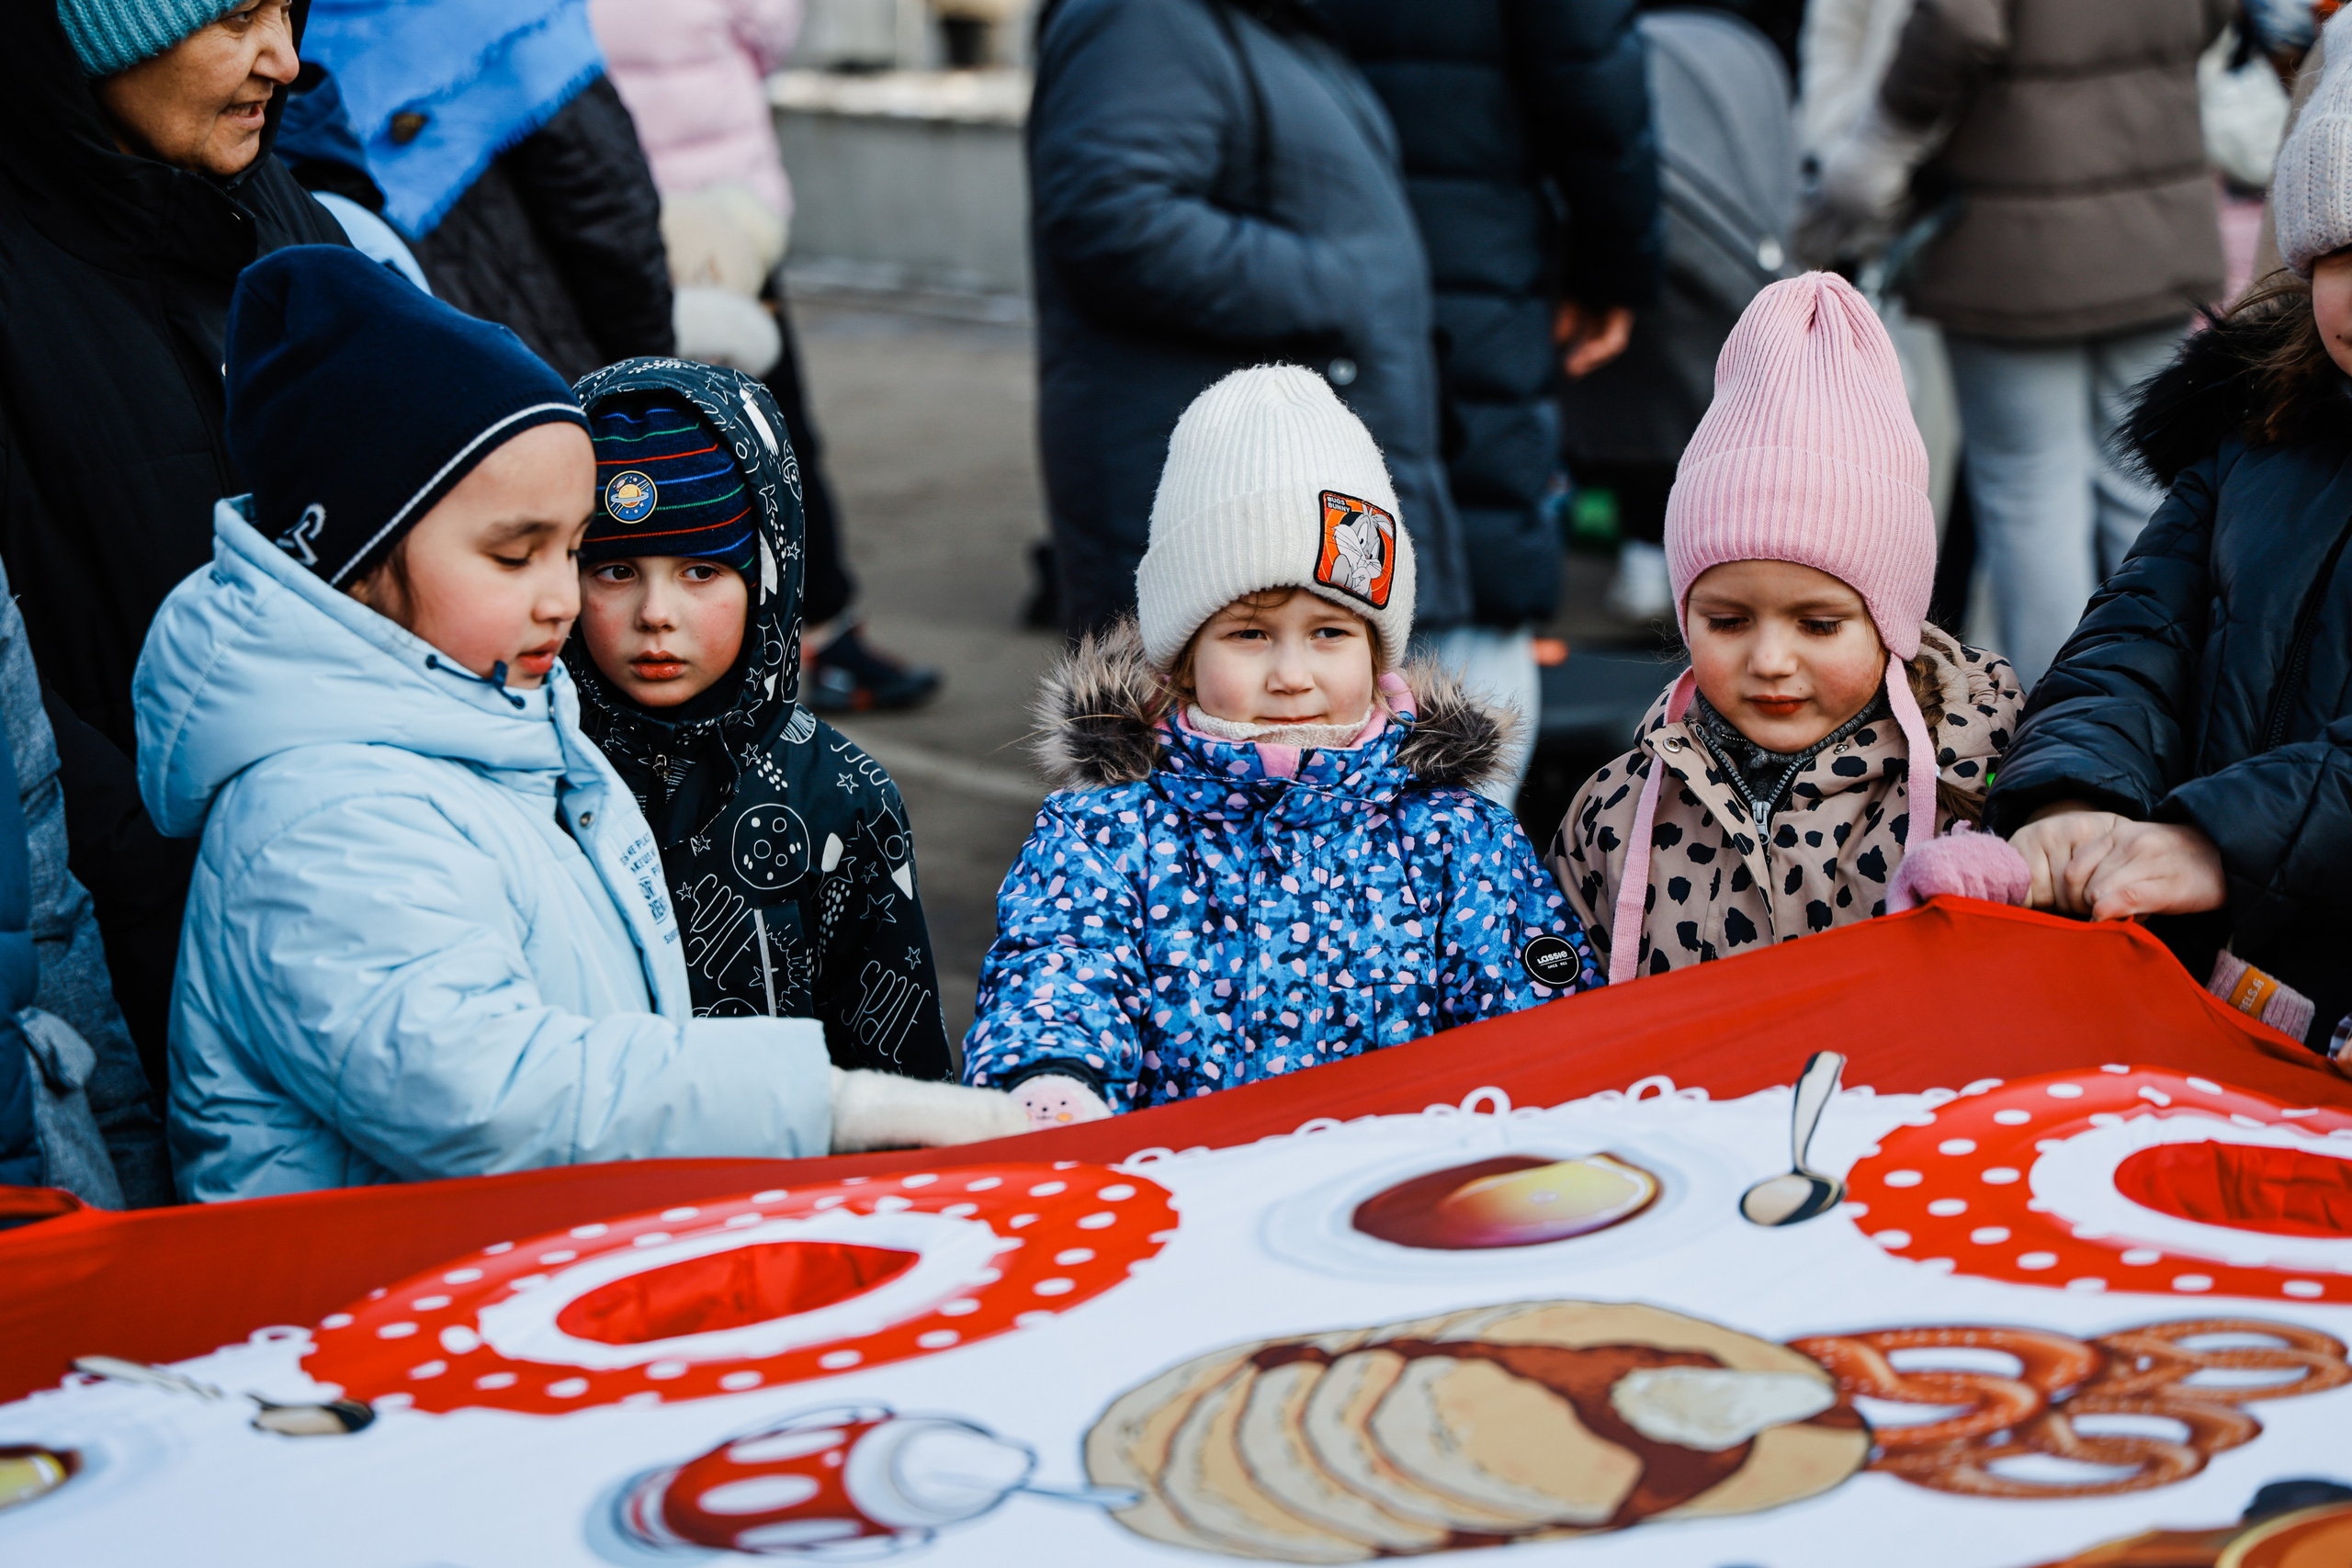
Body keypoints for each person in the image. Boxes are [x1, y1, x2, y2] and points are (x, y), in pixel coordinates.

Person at [134, 247, 1023, 1201]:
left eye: (570, 550)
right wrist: (833, 1109)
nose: (562, 601)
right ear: (360, 552)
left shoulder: (487, 727)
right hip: (376, 1316)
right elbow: (499, 1097)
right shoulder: (321, 816)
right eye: (517, 556)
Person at [964, 367, 1596, 1123]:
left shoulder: (1456, 838)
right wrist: (1052, 1084)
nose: (1292, 675)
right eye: (1250, 634)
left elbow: (1539, 1033)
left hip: (1392, 1211)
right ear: (1185, 656)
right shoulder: (1105, 835)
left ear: (1377, 650)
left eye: (1329, 632)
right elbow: (1058, 977)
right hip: (1181, 1204)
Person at [1983, 14, 2352, 1059]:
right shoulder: (2257, 430)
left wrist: (2215, 841)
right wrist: (2074, 791)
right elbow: (2140, 630)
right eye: (2341, 253)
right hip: (2211, 992)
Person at [0, 0, 351, 1091]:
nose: (286, 60)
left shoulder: (276, 212)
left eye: (288, 9)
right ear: (101, 28)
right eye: (239, 18)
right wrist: (168, 890)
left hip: (350, 909)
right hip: (127, 971)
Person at [1550, 273, 2023, 982]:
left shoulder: (1984, 790)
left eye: (1820, 624)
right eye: (1728, 620)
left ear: (1891, 617)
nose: (1770, 659)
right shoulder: (1617, 812)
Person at [1799, 0, 2232, 687]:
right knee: (2147, 486)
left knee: (2030, 496)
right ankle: (2167, 708)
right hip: (2154, 226)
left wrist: (1882, 144)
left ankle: (2057, 730)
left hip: (2011, 239)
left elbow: (1957, 22)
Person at [1027, 0, 1471, 653]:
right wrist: (1338, 283)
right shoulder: (1137, 18)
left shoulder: (1272, 23)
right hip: (1212, 499)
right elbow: (1114, 216)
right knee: (1208, 738)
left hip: (1310, 487)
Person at [567, 357, 955, 1077]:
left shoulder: (843, 798)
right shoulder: (534, 779)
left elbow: (899, 1075)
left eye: (701, 572)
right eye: (616, 571)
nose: (656, 615)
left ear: (770, 573)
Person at [1321, 0, 1663, 802]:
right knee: (1480, 579)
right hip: (1479, 248)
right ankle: (1461, 878)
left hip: (1319, 237)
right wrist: (1617, 264)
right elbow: (1591, 77)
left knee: (1328, 556)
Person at [588, 0, 941, 712]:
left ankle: (662, 652)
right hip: (727, 227)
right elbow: (772, 31)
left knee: (639, 434)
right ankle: (820, 636)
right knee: (774, 434)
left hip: (612, 220)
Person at [300, 0, 675, 383]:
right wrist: (657, 382)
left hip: (453, 403)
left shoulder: (280, 57)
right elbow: (615, 225)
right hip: (584, 385)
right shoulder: (518, 17)